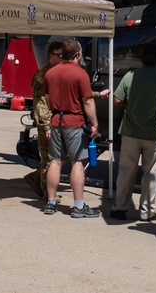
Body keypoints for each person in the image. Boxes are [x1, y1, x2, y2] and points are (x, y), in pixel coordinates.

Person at [109, 45, 156, 222]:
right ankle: (148, 211)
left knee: (126, 171)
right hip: (154, 133)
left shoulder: (130, 76)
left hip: (130, 131)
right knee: (151, 173)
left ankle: (120, 207)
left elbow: (117, 99)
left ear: (142, 61)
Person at [42, 39, 101, 218]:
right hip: (74, 122)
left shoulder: (50, 74)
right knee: (77, 162)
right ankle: (78, 206)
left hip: (56, 120)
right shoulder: (80, 74)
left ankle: (51, 203)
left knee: (55, 161)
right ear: (77, 54)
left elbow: (46, 98)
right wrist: (95, 123)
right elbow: (88, 101)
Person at [23, 41, 62, 198]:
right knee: (48, 157)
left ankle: (36, 178)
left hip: (57, 120)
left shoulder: (57, 73)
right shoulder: (42, 76)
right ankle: (48, 192)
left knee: (59, 155)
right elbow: (41, 104)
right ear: (51, 56)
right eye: (60, 56)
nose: (62, 58)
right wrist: (47, 126)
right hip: (47, 121)